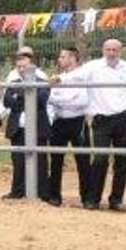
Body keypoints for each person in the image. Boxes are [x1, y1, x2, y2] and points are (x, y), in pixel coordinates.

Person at [52, 38, 126, 210]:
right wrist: (59, 79)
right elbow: (76, 76)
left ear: (120, 51)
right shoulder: (93, 66)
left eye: (115, 50)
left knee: (122, 160)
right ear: (103, 50)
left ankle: (116, 199)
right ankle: (93, 199)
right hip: (102, 119)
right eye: (108, 49)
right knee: (100, 159)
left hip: (123, 117)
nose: (111, 53)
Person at [0, 47, 51, 200]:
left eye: (25, 67)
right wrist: (26, 95)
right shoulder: (13, 82)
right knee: (18, 161)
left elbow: (40, 101)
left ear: (32, 67)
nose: (22, 70)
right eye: (19, 67)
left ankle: (43, 193)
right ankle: (17, 191)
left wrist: (19, 96)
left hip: (38, 127)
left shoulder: (43, 82)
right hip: (18, 129)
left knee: (40, 161)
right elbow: (7, 102)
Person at [46, 46, 92, 208]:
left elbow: (82, 101)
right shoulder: (58, 77)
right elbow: (50, 98)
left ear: (73, 58)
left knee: (83, 160)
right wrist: (67, 100)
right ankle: (54, 196)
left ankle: (87, 198)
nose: (60, 59)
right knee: (56, 160)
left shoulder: (83, 76)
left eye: (63, 57)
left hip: (78, 121)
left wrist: (61, 100)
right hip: (59, 121)